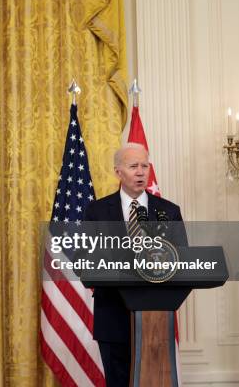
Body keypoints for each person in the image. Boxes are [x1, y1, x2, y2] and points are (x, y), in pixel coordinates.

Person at [83, 142, 186, 386]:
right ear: (118, 171)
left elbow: (183, 261)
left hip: (156, 320)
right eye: (133, 166)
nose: (140, 172)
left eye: (145, 166)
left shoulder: (169, 211)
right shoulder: (97, 211)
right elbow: (85, 263)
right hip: (113, 317)